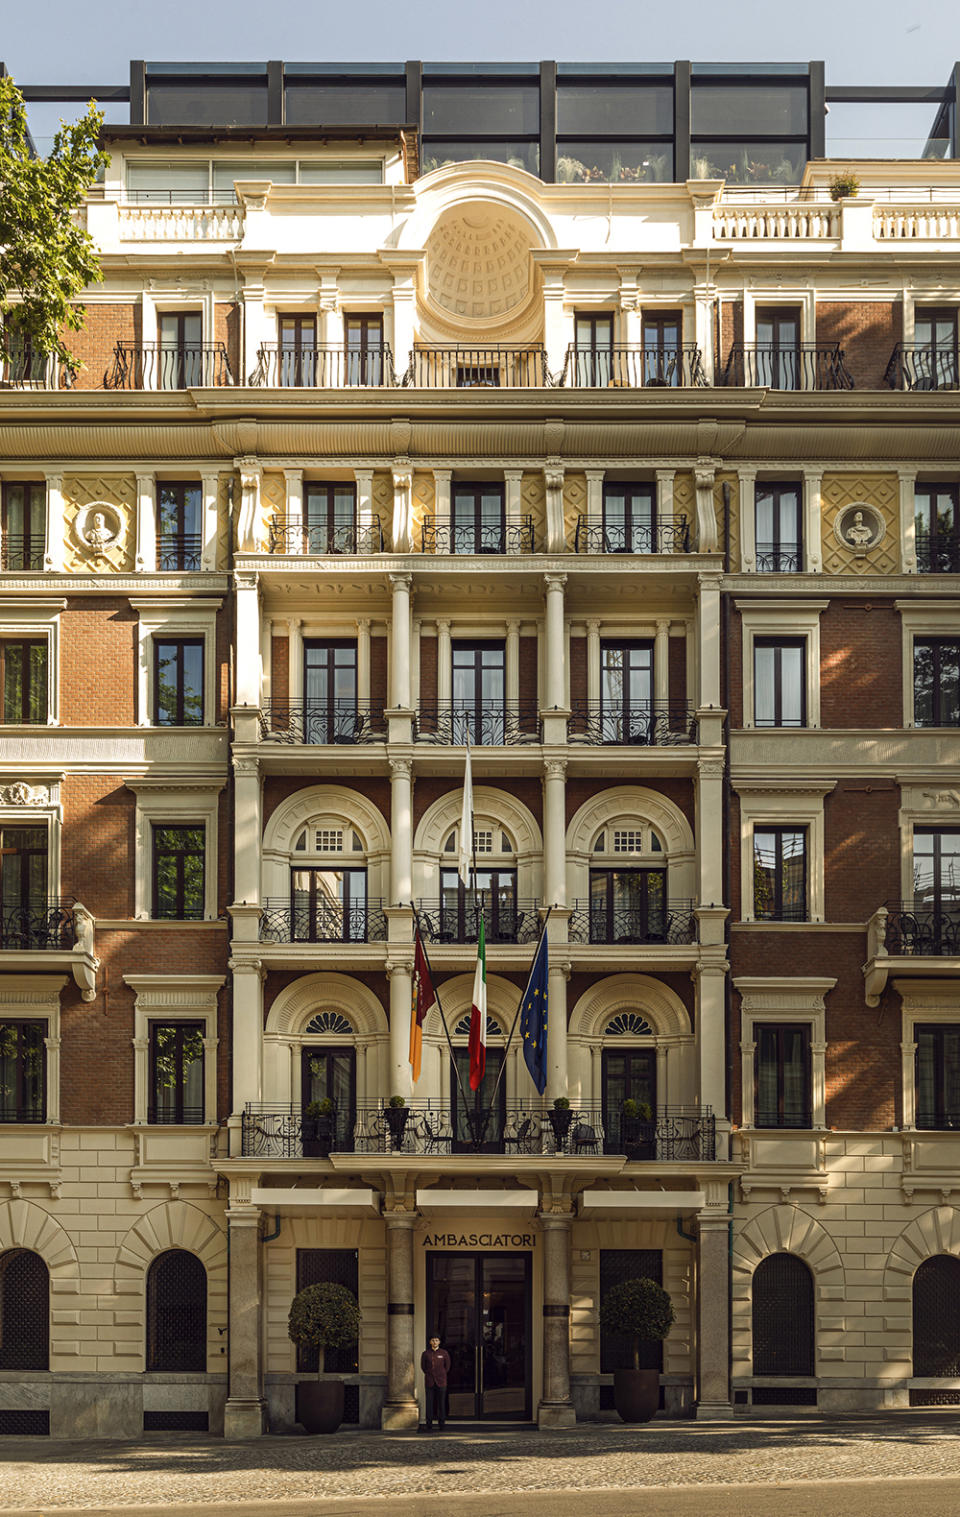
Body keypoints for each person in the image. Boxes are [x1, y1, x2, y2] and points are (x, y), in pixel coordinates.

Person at [420, 1333, 451, 1431]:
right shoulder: (425, 1353)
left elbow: (447, 1367)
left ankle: (442, 1424)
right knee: (429, 1404)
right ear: (430, 1342)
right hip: (429, 1382)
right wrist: (430, 1375)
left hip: (441, 1382)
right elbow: (423, 1367)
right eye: (433, 1340)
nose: (435, 1342)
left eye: (436, 1340)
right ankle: (429, 1424)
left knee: (441, 1404)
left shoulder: (444, 1353)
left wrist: (441, 1375)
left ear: (439, 1342)